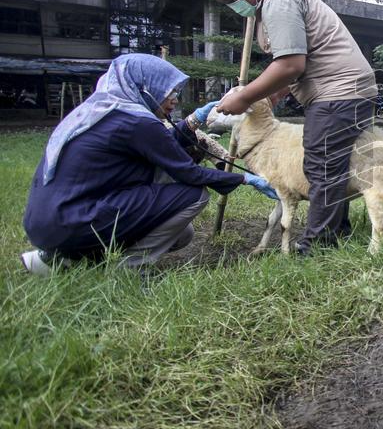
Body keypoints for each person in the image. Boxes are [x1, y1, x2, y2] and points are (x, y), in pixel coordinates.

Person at [191, 0, 377, 255]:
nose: (231, 6)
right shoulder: (268, 5)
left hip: (339, 92)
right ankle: (337, 232)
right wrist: (272, 95)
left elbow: (290, 64)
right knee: (333, 164)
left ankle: (318, 244)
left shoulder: (278, 0)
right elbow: (292, 67)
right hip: (343, 90)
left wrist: (244, 97)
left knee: (321, 165)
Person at [20, 54, 278, 276]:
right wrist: (246, 179)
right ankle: (130, 269)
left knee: (182, 234)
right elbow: (185, 171)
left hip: (51, 220)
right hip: (73, 219)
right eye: (168, 91)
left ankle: (67, 257)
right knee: (193, 195)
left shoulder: (104, 111)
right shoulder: (135, 122)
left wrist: (194, 120)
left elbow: (161, 146)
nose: (174, 98)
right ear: (144, 87)